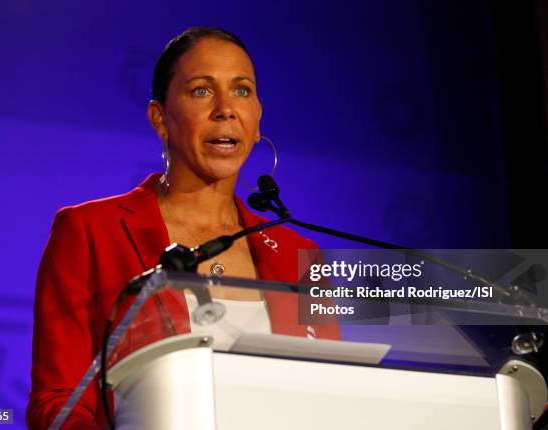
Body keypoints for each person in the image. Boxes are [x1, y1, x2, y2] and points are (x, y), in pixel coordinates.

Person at [26, 27, 339, 430]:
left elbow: (332, 392)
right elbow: (57, 401)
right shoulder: (88, 231)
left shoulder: (301, 256)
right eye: (201, 91)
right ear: (160, 118)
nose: (226, 109)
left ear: (258, 119)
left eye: (242, 91)